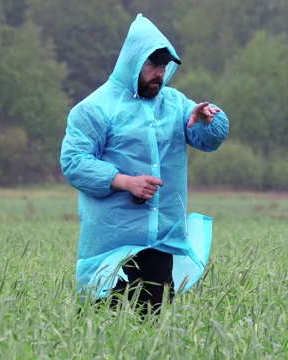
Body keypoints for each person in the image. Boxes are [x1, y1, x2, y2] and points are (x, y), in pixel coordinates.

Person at [60, 14, 229, 315]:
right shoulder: (94, 109)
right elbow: (74, 162)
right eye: (152, 64)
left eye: (164, 66)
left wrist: (209, 119)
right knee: (103, 333)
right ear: (133, 62)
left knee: (152, 333)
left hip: (160, 241)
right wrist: (126, 182)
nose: (159, 74)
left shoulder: (174, 104)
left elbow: (209, 138)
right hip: (110, 248)